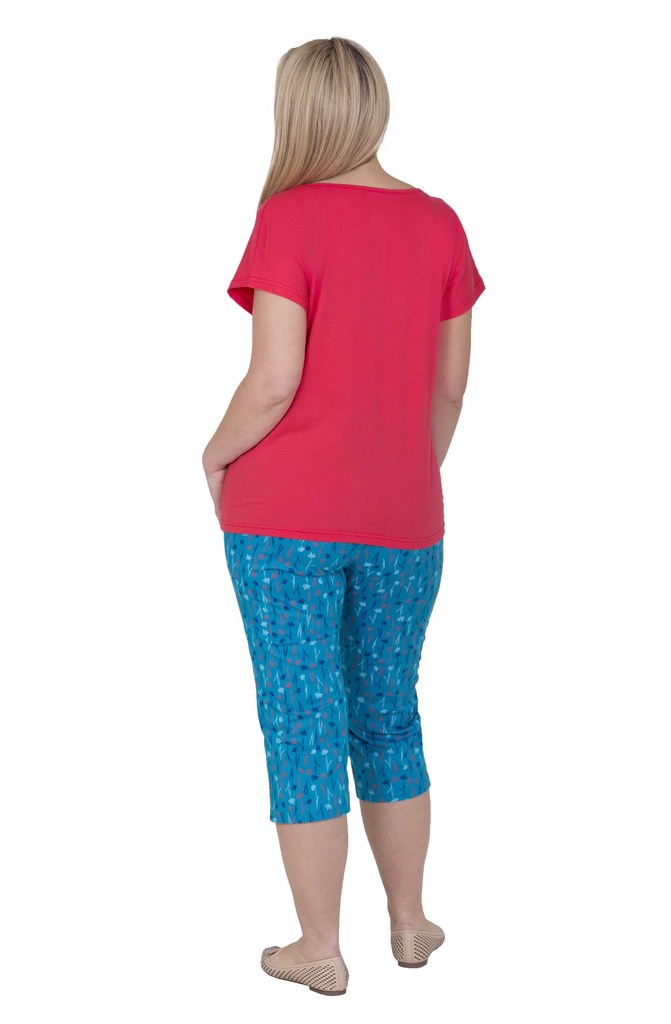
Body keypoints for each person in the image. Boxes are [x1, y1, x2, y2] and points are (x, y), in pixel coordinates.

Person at [201, 36, 485, 996]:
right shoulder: (440, 224)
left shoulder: (289, 217)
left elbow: (273, 380)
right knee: (388, 714)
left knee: (302, 719)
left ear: (299, 111)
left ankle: (317, 946)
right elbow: (449, 390)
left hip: (282, 517)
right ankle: (409, 923)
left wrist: (214, 454)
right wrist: (400, 472)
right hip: (406, 517)